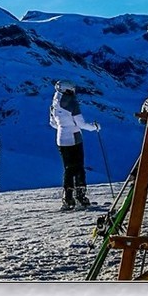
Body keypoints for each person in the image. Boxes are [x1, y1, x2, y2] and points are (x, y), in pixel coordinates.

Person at [48, 81, 101, 210]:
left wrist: (64, 127)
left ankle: (68, 197)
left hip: (61, 138)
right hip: (74, 137)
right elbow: (81, 123)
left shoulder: (55, 103)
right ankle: (80, 196)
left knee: (68, 168)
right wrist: (94, 127)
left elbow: (53, 123)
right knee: (79, 167)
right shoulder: (72, 103)